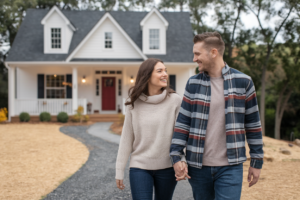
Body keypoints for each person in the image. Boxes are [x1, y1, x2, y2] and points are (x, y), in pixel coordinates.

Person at [170, 32, 264, 200]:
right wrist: (176, 156)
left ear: (213, 52)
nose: (194, 58)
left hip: (231, 167)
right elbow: (183, 123)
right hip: (198, 167)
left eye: (197, 54)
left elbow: (253, 125)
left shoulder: (244, 82)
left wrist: (256, 161)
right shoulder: (193, 83)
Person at [115, 58, 187, 200]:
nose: (165, 74)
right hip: (139, 166)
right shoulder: (133, 102)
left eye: (165, 70)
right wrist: (119, 169)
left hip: (167, 167)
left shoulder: (175, 100)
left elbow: (181, 135)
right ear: (147, 76)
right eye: (159, 71)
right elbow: (127, 138)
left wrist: (182, 159)